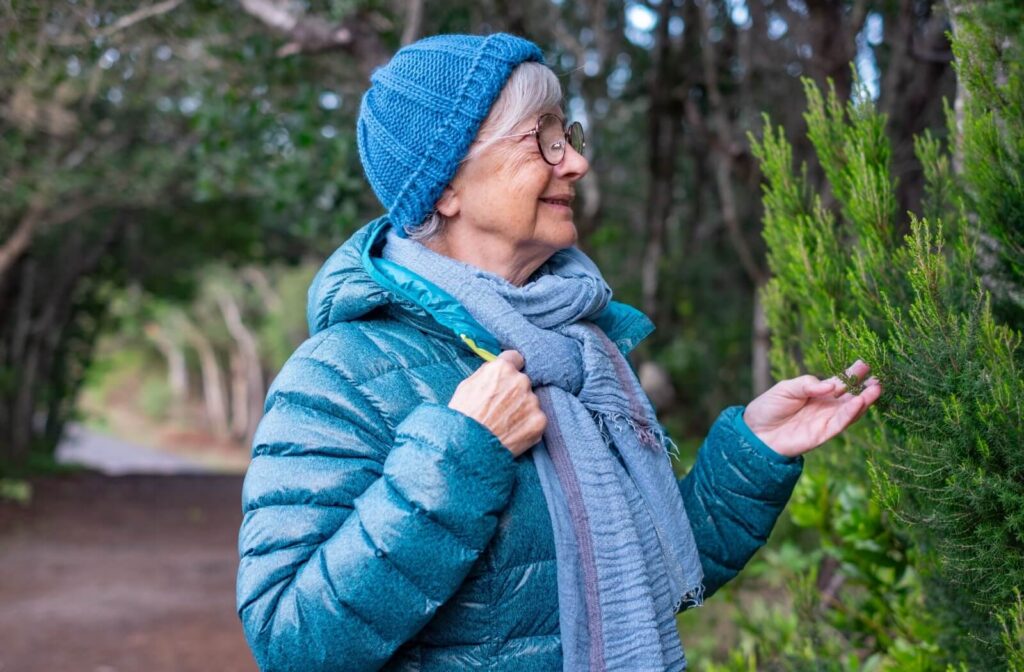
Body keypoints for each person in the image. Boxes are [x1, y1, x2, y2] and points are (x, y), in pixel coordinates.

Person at [236, 33, 882, 672]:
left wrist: (753, 455)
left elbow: (647, 578)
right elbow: (291, 642)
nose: (574, 162)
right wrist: (462, 455)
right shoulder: (341, 374)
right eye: (542, 138)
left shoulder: (582, 354)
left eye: (567, 135)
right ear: (444, 186)